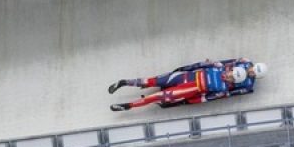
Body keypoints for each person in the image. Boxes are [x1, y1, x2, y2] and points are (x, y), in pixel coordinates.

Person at [108, 59, 266, 111]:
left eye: (232, 78)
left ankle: (128, 105)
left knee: (156, 96)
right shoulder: (220, 67)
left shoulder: (224, 89)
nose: (230, 76)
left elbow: (207, 98)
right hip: (185, 76)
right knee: (153, 81)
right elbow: (201, 65)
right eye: (232, 73)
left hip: (189, 89)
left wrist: (188, 101)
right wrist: (186, 68)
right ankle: (124, 82)